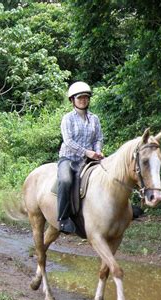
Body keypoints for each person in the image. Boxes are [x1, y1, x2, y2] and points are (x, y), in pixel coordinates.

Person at [57, 81, 104, 234]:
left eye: (86, 97)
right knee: (65, 180)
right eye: (80, 98)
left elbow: (98, 138)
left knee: (109, 174)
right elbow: (68, 141)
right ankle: (63, 219)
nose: (83, 100)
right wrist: (86, 152)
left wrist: (97, 151)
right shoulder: (67, 118)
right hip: (69, 158)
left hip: (90, 159)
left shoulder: (94, 118)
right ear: (72, 100)